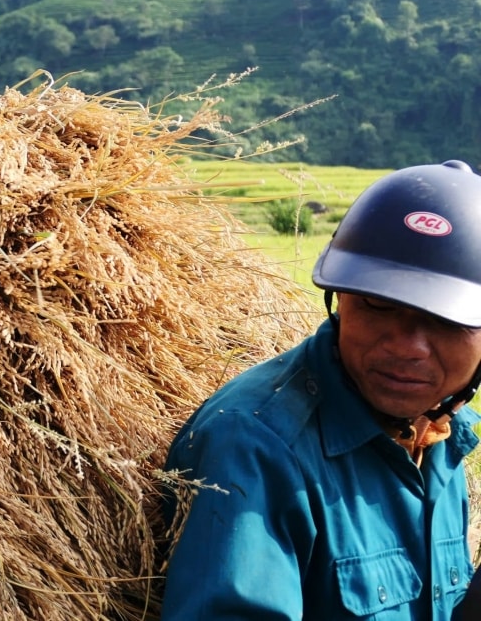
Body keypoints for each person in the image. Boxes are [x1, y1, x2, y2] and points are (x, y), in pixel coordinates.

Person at [160, 160, 481, 620]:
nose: (408, 347)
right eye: (378, 305)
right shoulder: (254, 448)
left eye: (448, 321)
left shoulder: (442, 435)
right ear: (340, 299)